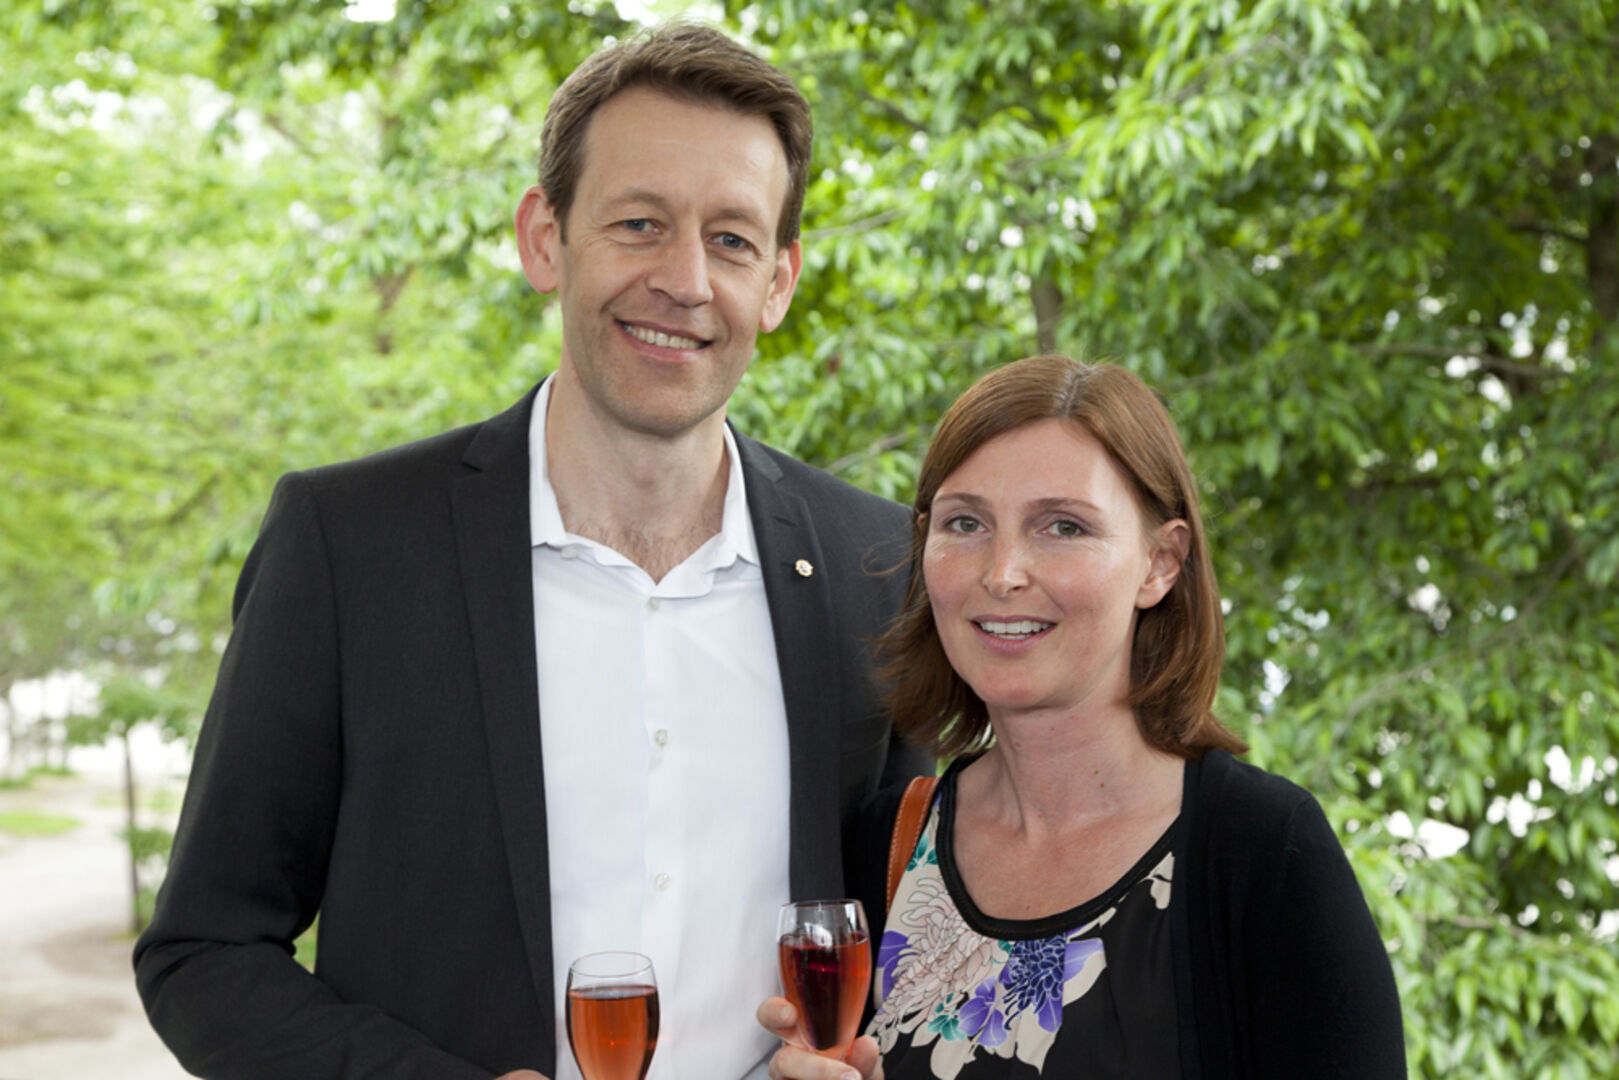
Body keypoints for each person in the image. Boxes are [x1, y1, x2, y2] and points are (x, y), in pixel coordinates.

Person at [134, 23, 928, 1080]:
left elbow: (919, 942)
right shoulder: (349, 546)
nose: (685, 280)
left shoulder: (877, 565)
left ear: (778, 282)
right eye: (639, 224)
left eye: (732, 240)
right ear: (544, 239)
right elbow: (203, 952)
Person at [759, 355, 1406, 1079]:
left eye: (1063, 527)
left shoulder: (1262, 853)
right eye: (965, 522)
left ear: (1160, 563)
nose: (1002, 573)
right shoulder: (884, 845)